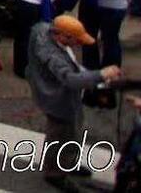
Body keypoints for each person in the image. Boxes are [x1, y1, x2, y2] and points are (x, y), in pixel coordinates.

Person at [27, 15, 122, 188]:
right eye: (76, 40)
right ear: (62, 36)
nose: (79, 44)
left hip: (65, 96)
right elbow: (71, 79)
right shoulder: (53, 56)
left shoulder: (44, 31)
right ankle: (54, 173)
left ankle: (68, 162)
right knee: (60, 135)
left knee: (72, 131)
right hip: (57, 98)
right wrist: (101, 74)